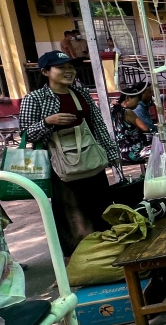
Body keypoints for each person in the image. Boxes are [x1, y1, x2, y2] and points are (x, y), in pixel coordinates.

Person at [19, 51, 118, 255]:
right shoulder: (35, 98)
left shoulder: (81, 95)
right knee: (73, 219)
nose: (68, 71)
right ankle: (79, 262)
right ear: (46, 71)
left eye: (70, 67)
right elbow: (26, 134)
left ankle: (108, 256)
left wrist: (111, 153)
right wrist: (48, 122)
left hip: (91, 162)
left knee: (102, 211)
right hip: (61, 168)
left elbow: (97, 126)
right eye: (61, 67)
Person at [111, 81, 151, 164]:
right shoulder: (127, 112)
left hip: (120, 151)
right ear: (128, 98)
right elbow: (145, 128)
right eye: (136, 100)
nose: (137, 103)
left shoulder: (114, 110)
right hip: (132, 151)